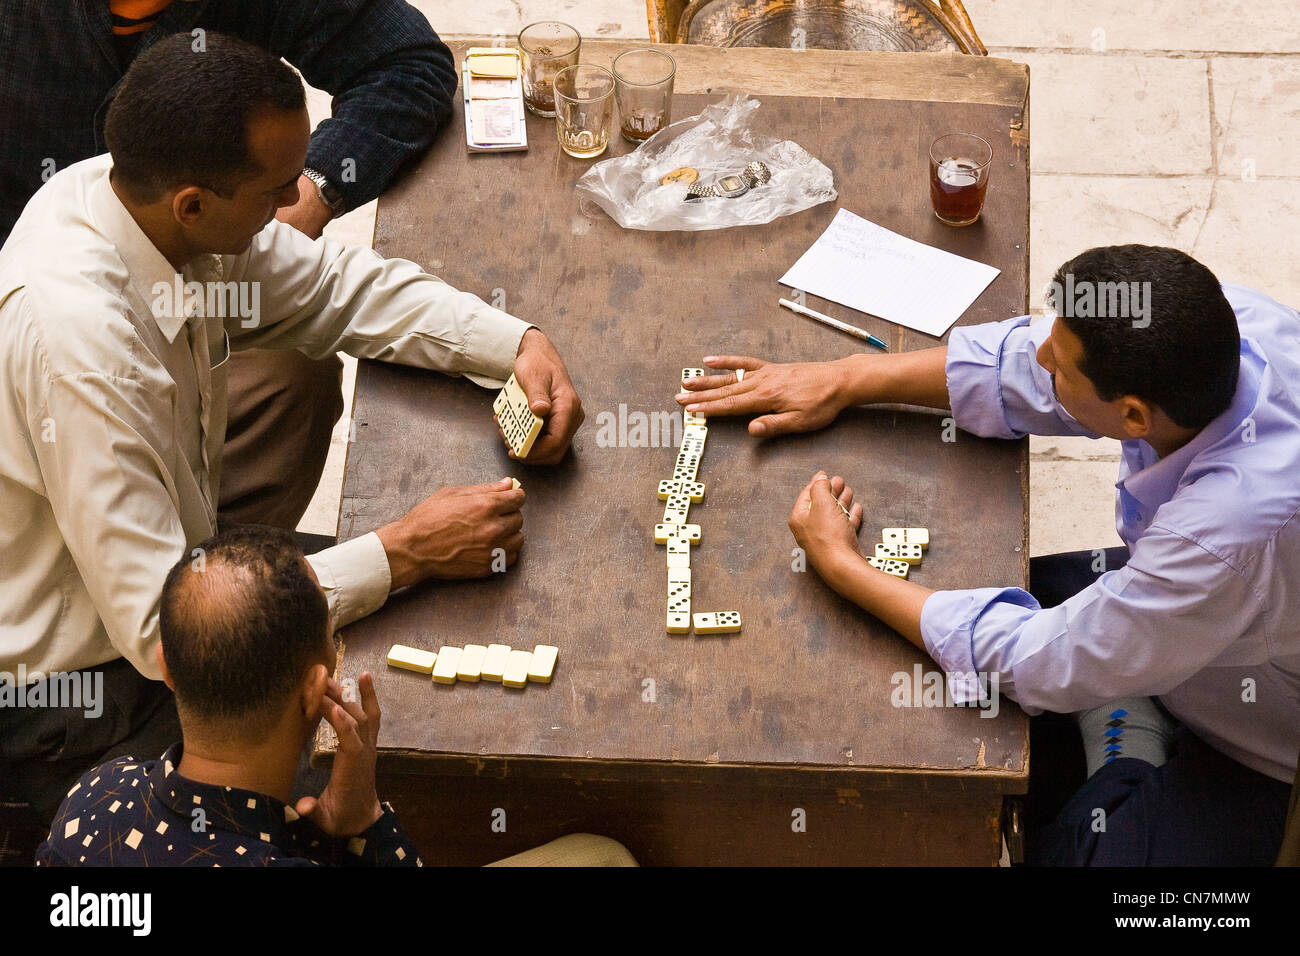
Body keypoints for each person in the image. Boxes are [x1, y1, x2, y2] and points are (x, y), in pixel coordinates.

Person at [0, 33, 583, 821]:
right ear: (195, 204)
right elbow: (166, 641)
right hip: (80, 697)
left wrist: (515, 342)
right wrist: (402, 552)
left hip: (175, 574)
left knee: (445, 592)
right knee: (384, 779)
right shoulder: (81, 346)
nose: (292, 208)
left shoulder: (141, 205)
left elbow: (336, 290)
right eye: (275, 191)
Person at [676, 245, 1299, 865]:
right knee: (988, 591)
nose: (1041, 356)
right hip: (1230, 614)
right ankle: (1128, 681)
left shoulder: (1221, 534)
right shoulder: (1223, 327)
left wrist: (846, 569)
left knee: (1081, 853)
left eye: (1060, 368)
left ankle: (1126, 735)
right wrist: (844, 378)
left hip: (1265, 738)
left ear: (1134, 415)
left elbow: (1041, 661)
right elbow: (1022, 366)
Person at [1, 0, 464, 529]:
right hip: (33, 316)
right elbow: (156, 614)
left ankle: (238, 576)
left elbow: (406, 63)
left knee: (293, 376)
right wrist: (398, 556)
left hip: (184, 282)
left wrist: (304, 194)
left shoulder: (223, 245)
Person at [36, 528, 636, 867]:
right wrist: (367, 824)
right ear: (316, 693)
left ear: (166, 668)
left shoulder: (93, 795)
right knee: (602, 857)